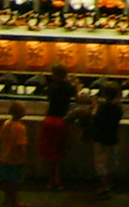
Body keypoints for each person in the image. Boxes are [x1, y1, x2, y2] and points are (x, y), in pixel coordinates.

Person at [38, 61, 77, 190]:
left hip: (49, 120)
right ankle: (58, 180)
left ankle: (49, 180)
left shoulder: (51, 87)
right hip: (62, 121)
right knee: (59, 152)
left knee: (49, 152)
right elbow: (78, 97)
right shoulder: (69, 87)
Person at [91, 81, 123, 199]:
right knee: (111, 162)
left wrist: (94, 106)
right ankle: (109, 184)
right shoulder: (118, 108)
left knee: (100, 163)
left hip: (101, 138)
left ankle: (104, 186)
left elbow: (95, 119)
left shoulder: (102, 108)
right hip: (113, 138)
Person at [0, 100, 29, 207]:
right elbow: (20, 146)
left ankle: (7, 199)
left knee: (6, 181)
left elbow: (0, 139)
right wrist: (23, 158)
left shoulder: (6, 123)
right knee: (15, 182)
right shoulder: (20, 128)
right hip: (15, 160)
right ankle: (15, 202)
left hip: (4, 157)